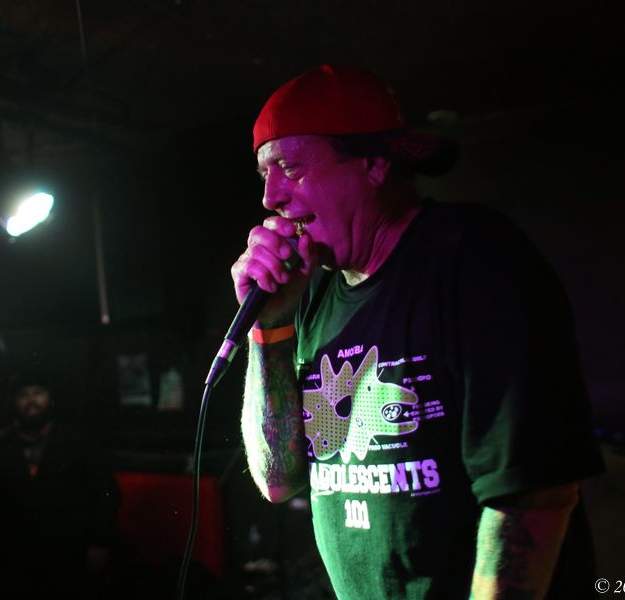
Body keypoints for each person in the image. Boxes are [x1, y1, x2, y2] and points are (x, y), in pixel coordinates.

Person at [231, 64, 604, 599]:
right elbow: (277, 480)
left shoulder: (475, 258)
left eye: (290, 167)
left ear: (374, 163)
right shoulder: (311, 294)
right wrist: (268, 328)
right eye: (264, 174)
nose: (271, 197)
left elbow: (532, 497)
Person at [0, 368, 119, 599]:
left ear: (49, 398)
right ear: (13, 401)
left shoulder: (76, 445)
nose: (31, 400)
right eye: (23, 395)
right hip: (12, 560)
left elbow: (105, 494)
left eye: (38, 393)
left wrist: (99, 543)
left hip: (67, 558)